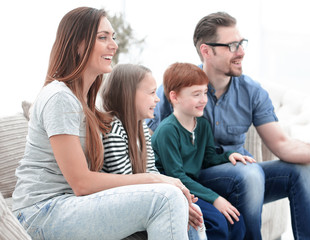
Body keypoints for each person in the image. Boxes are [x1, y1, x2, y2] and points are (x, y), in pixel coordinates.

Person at [147, 12, 310, 240]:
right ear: (207, 51)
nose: (241, 52)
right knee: (250, 173)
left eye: (242, 43)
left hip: (245, 176)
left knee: (302, 172)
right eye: (232, 46)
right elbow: (149, 145)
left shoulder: (252, 92)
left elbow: (282, 144)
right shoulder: (176, 90)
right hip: (197, 178)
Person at [12, 7, 189, 239]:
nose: (113, 45)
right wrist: (155, 179)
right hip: (41, 212)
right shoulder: (59, 97)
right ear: (77, 45)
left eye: (113, 37)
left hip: (69, 205)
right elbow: (82, 183)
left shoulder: (85, 103)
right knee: (166, 197)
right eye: (102, 37)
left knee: (186, 211)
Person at [101, 63, 207, 240]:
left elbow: (151, 171)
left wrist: (181, 202)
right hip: (120, 206)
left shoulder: (141, 126)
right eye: (151, 93)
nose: (157, 99)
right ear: (129, 95)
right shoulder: (113, 130)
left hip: (142, 199)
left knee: (193, 211)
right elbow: (125, 184)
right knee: (180, 211)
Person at [152, 62, 251, 239]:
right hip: (173, 190)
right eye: (196, 94)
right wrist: (215, 199)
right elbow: (177, 176)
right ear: (174, 97)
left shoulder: (203, 125)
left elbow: (209, 158)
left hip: (191, 186)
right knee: (216, 222)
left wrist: (229, 156)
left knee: (236, 221)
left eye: (205, 93)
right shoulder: (168, 130)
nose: (203, 100)